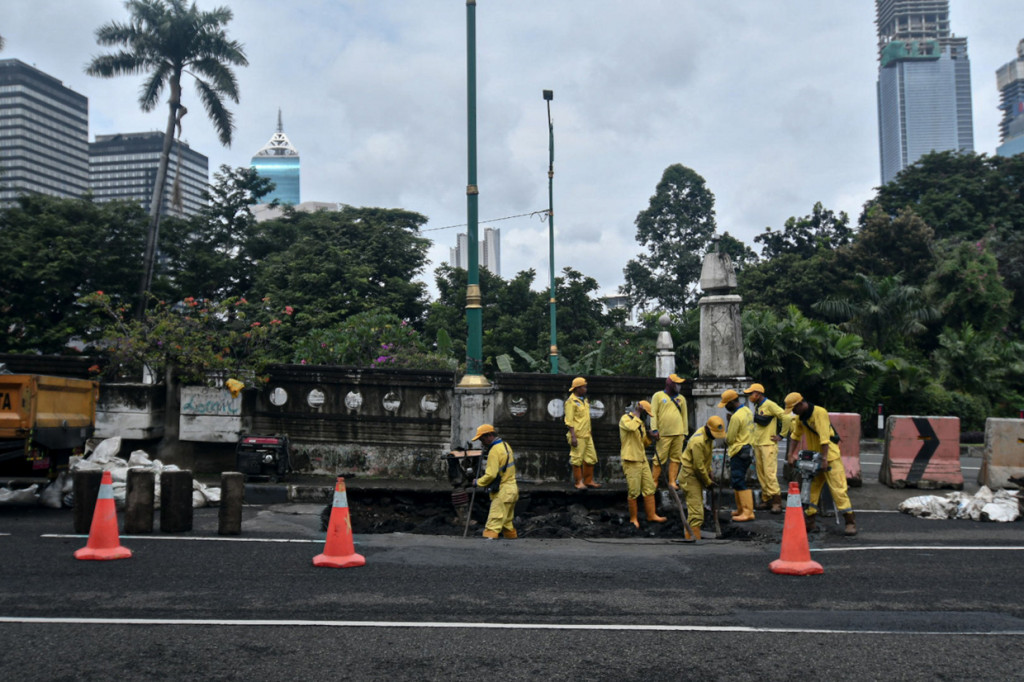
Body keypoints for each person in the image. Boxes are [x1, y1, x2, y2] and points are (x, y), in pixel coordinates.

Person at [783, 392, 856, 536]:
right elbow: (795, 436)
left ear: (800, 404)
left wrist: (824, 459)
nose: (793, 412)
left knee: (838, 490)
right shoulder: (800, 418)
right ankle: (810, 523)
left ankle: (850, 522)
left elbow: (824, 439)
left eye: (794, 408)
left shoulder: (819, 413)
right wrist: (790, 454)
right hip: (815, 458)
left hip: (830, 458)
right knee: (811, 490)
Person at [675, 415, 727, 539]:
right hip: (690, 477)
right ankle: (692, 539)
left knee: (696, 509)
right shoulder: (698, 441)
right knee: (697, 512)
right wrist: (708, 482)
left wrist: (710, 471)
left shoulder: (708, 438)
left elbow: (705, 459)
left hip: (695, 476)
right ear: (707, 428)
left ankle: (692, 535)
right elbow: (698, 466)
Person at [618, 400, 665, 528]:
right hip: (631, 460)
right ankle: (633, 518)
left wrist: (650, 437)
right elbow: (631, 428)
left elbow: (643, 443)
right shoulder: (626, 419)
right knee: (634, 490)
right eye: (646, 413)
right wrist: (637, 414)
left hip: (642, 459)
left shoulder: (641, 424)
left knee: (649, 487)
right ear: (640, 410)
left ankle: (652, 515)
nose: (646, 417)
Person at [743, 382, 789, 514]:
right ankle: (766, 498)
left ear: (758, 394)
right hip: (758, 444)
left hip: (768, 444)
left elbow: (785, 416)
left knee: (769, 474)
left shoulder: (770, 404)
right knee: (762, 474)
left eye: (751, 394)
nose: (750, 396)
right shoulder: (758, 406)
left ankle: (776, 501)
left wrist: (781, 435)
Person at [472, 423, 519, 539]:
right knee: (507, 523)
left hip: (502, 492)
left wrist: (478, 482)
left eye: (482, 439)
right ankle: (511, 539)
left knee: (493, 524)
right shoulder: (506, 446)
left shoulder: (494, 451)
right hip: (512, 490)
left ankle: (488, 547)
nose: (481, 442)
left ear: (488, 436)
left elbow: (491, 474)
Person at [719, 388, 755, 522]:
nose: (725, 408)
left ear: (731, 402)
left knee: (738, 480)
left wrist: (725, 438)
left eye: (726, 404)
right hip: (748, 448)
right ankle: (741, 509)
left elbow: (730, 438)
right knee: (737, 480)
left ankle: (747, 512)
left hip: (738, 450)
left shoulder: (736, 417)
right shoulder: (747, 411)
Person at [649, 373, 688, 490]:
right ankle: (654, 481)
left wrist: (684, 433)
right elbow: (653, 414)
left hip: (679, 433)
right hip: (663, 434)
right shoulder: (658, 396)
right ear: (670, 384)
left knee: (676, 457)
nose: (679, 386)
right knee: (659, 458)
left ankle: (672, 481)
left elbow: (684, 416)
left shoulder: (681, 399)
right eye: (677, 384)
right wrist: (654, 429)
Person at [565, 376, 600, 489]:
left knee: (591, 457)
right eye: (583, 387)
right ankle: (578, 482)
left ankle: (588, 480)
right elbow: (569, 421)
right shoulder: (571, 402)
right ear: (577, 388)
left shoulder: (584, 401)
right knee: (577, 458)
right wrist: (573, 436)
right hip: (578, 435)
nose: (585, 389)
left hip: (587, 435)